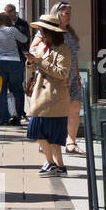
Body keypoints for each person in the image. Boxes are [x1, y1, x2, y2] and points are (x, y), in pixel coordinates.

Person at [25, 13, 72, 178]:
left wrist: (40, 62)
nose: (40, 34)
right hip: (40, 95)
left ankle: (57, 165)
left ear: (50, 32)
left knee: (53, 136)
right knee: (37, 131)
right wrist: (31, 61)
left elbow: (62, 73)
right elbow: (34, 66)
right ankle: (52, 163)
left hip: (54, 97)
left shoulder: (63, 49)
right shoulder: (41, 46)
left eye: (42, 31)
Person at [52, 1, 84, 154]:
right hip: (57, 76)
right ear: (58, 14)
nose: (69, 16)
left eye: (70, 13)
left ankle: (71, 141)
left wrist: (77, 76)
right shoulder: (49, 31)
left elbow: (75, 56)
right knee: (56, 111)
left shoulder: (70, 32)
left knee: (75, 108)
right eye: (66, 13)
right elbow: (35, 48)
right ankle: (49, 139)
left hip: (72, 77)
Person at [0, 11, 28, 127]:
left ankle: (4, 118)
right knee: (15, 90)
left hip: (0, 61)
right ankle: (16, 116)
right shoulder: (12, 30)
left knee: (2, 91)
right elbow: (24, 39)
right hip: (14, 61)